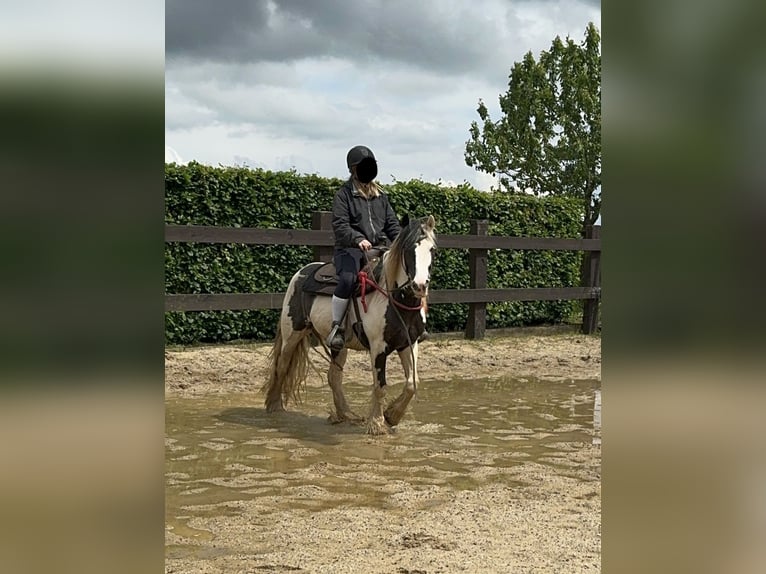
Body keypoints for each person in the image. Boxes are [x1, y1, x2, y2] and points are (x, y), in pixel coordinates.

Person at [326, 145, 401, 351]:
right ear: (353, 169)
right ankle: (337, 327)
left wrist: (399, 242)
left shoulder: (381, 197)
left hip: (377, 249)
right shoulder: (343, 195)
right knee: (348, 279)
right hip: (349, 250)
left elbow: (392, 224)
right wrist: (357, 238)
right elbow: (340, 225)